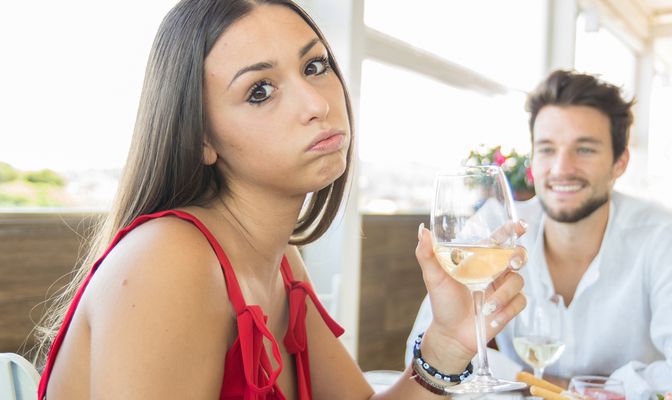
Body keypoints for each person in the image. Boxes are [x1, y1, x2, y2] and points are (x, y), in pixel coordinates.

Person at [32, 1, 528, 399]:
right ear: (201, 137)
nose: (318, 103)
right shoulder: (166, 260)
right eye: (260, 91)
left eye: (315, 66)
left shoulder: (281, 260)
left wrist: (447, 343)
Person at [407, 70, 672, 399]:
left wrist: (571, 390)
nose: (561, 168)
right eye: (547, 149)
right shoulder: (494, 227)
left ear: (620, 162)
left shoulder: (664, 236)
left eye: (584, 149)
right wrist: (532, 381)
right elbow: (420, 360)